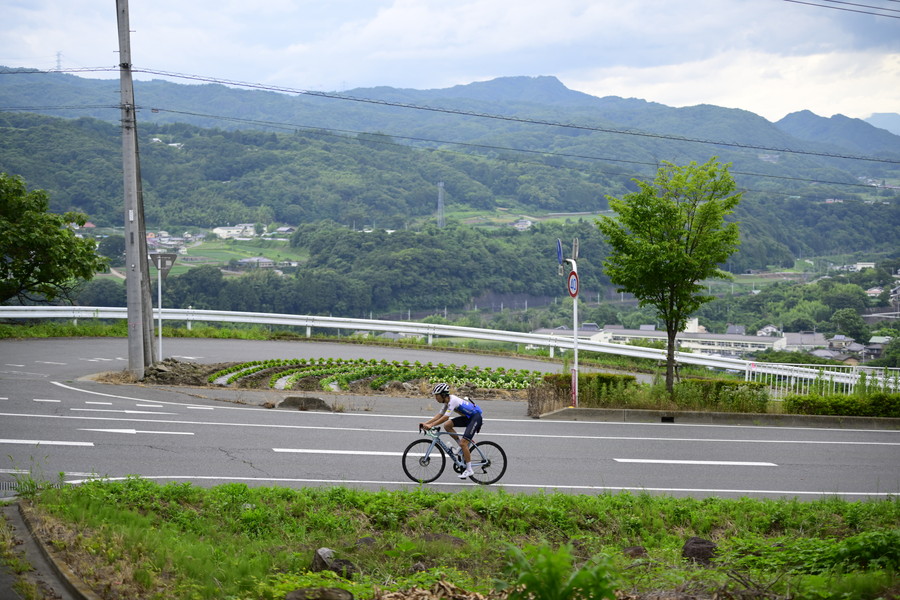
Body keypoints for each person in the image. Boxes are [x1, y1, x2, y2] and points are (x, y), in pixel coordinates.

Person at [419, 382, 483, 479]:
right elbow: (440, 415)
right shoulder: (446, 402)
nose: (435, 398)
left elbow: (445, 417)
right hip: (468, 418)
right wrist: (426, 423)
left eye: (437, 395)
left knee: (464, 443)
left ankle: (469, 470)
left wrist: (431, 425)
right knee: (447, 425)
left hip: (475, 418)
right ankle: (460, 448)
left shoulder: (453, 401)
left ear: (443, 395)